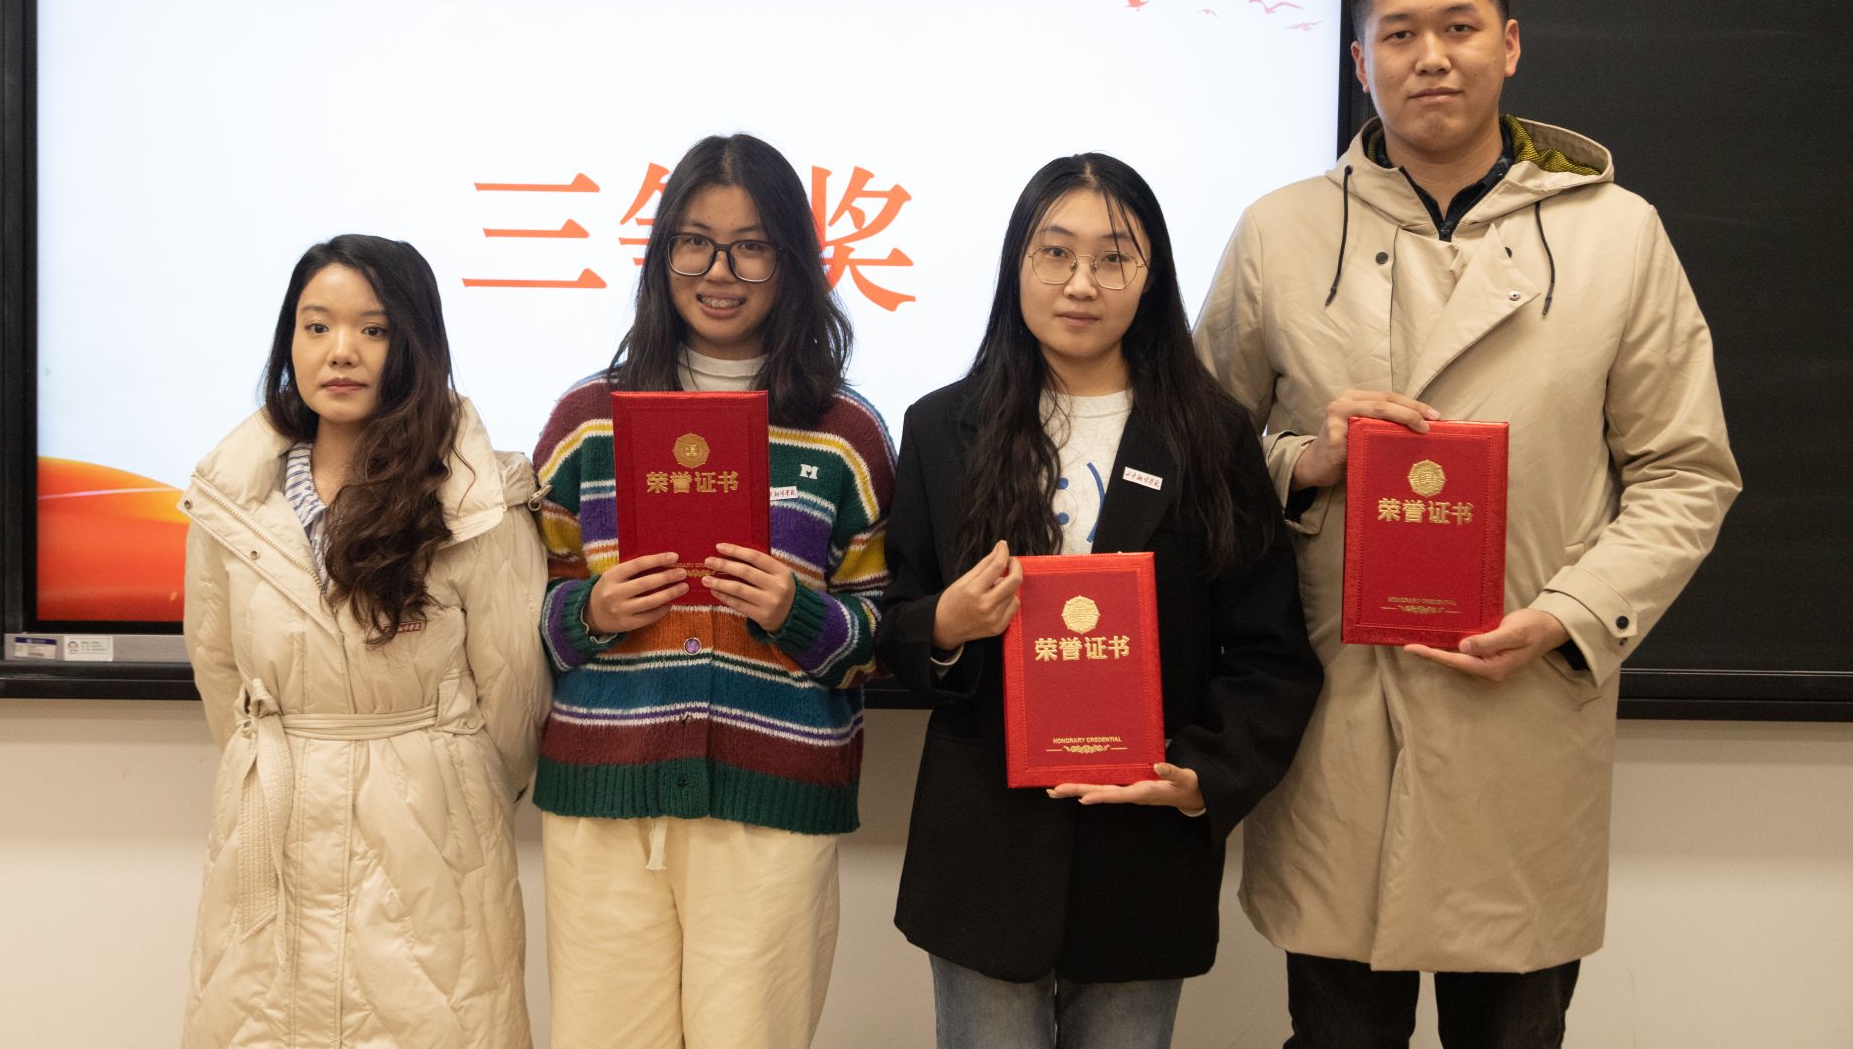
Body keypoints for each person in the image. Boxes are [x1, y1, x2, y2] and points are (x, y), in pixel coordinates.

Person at [1196, 0, 1742, 1048]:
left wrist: (1569, 615)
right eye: (1399, 34)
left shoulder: (1617, 235)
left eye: (1458, 28)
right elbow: (1198, 452)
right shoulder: (1281, 232)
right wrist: (1301, 461)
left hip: (1520, 719)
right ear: (1361, 61)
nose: (1431, 57)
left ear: (1510, 44)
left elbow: (1684, 470)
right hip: (1337, 713)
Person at [876, 153, 1323, 1049]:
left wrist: (1202, 778)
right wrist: (947, 627)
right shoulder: (939, 427)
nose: (1081, 282)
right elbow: (892, 623)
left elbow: (1271, 652)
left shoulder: (1211, 435)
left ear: (1151, 277)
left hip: (1141, 859)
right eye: (1055, 253)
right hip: (985, 858)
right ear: (1017, 264)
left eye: (1114, 257)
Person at [529, 133, 895, 1049]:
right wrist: (590, 612)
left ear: (792, 262)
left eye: (751, 246)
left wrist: (795, 613)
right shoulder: (586, 420)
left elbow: (880, 635)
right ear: (663, 256)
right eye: (695, 243)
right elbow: (521, 617)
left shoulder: (845, 432)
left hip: (770, 808)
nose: (719, 271)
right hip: (606, 799)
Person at [180, 234, 548, 1048]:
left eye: (373, 329)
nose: (340, 351)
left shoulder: (473, 497)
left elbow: (514, 693)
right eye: (316, 326)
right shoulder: (232, 497)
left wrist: (448, 784)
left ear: (413, 344)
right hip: (273, 817)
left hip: (433, 833)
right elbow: (218, 670)